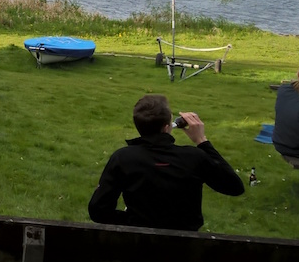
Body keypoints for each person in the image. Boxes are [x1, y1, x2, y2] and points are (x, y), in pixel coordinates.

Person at [88, 94, 244, 231]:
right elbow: (234, 187)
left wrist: (134, 221)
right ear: (166, 128)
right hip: (186, 246)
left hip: (139, 245)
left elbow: (98, 210)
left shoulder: (123, 158)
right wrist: (202, 141)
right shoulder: (194, 157)